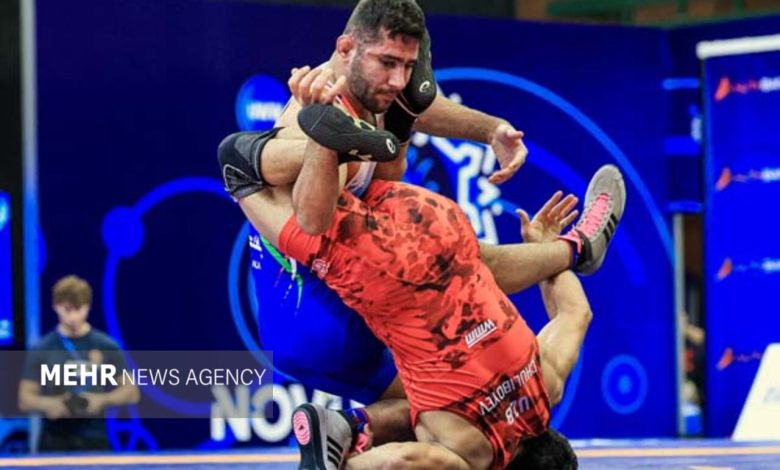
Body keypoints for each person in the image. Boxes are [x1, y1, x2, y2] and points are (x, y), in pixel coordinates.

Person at [220, 0, 585, 449]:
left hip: (323, 295)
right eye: (389, 64)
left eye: (407, 67)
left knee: (465, 266)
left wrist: (489, 130)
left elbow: (417, 105)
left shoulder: (371, 90)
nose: (397, 80)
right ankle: (574, 250)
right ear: (346, 48)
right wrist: (333, 144)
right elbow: (309, 216)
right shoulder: (317, 112)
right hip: (314, 311)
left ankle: (342, 430)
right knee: (462, 407)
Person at [18, 275, 140, 452]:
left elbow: (131, 392)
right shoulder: (43, 348)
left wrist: (101, 400)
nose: (73, 316)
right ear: (56, 307)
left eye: (79, 309)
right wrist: (49, 404)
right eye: (67, 309)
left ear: (88, 307)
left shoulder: (106, 346)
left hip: (94, 436)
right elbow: (25, 398)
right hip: (54, 439)